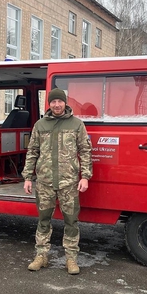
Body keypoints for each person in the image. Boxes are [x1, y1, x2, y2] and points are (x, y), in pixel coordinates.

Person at [22, 87, 93, 275]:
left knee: (71, 221)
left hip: (68, 182)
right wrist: (28, 177)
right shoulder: (40, 125)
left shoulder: (76, 124)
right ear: (49, 104)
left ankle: (71, 259)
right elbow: (32, 152)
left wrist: (85, 177)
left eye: (59, 101)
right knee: (43, 220)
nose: (56, 105)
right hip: (44, 182)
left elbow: (85, 151)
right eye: (53, 102)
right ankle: (41, 256)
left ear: (65, 103)